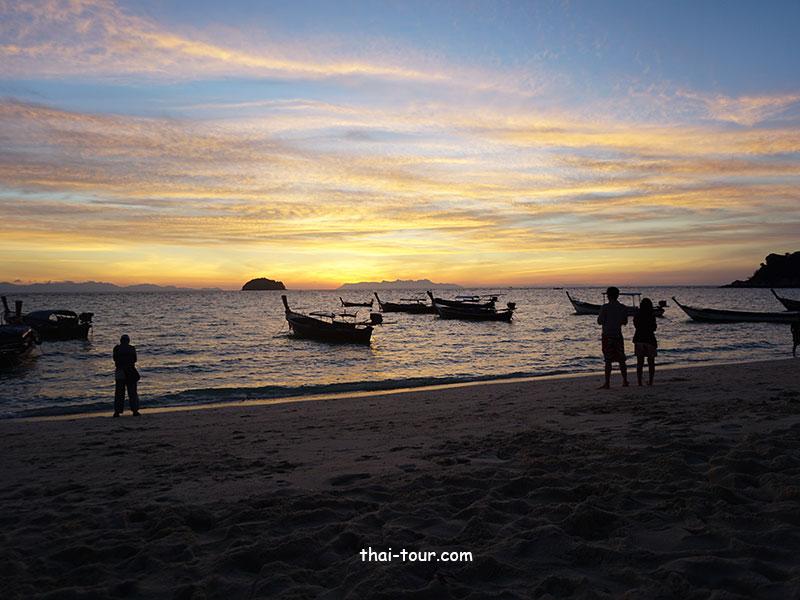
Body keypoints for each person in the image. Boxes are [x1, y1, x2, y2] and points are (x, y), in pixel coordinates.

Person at [597, 286, 629, 388]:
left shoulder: (605, 307)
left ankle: (607, 383)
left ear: (608, 296)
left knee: (608, 360)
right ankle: (625, 380)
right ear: (617, 295)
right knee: (621, 360)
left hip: (607, 336)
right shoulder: (622, 307)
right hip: (618, 335)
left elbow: (599, 321)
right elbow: (625, 322)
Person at [113, 334, 140, 417]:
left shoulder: (116, 348)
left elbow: (114, 359)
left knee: (119, 393)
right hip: (130, 371)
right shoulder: (132, 348)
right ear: (128, 341)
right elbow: (135, 359)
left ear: (121, 341)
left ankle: (117, 412)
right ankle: (135, 411)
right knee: (132, 392)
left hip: (120, 371)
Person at [633, 298, 658, 385]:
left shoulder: (637, 315)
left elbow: (635, 325)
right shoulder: (651, 315)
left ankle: (639, 382)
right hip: (650, 339)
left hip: (639, 339)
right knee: (651, 362)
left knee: (640, 362)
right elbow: (654, 328)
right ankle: (651, 381)